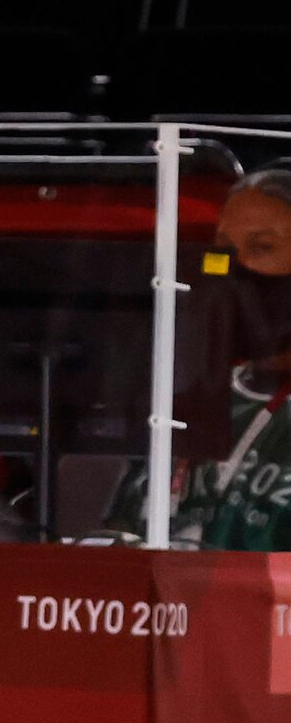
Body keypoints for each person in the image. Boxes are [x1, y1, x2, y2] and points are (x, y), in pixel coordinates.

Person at [103, 168, 291, 549]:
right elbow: (113, 545)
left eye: (262, 247)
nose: (235, 267)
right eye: (223, 248)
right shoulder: (188, 406)